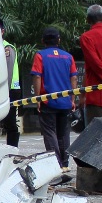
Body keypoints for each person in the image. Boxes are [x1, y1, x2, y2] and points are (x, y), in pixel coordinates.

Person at [31, 27, 77, 172]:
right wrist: (72, 99)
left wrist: (38, 97)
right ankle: (64, 164)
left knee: (49, 132)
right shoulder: (68, 57)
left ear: (43, 41)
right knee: (63, 133)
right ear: (59, 40)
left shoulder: (40, 55)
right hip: (65, 102)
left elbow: (37, 76)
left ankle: (55, 165)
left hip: (48, 100)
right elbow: (74, 77)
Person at [0, 17, 21, 147]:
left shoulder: (6, 47)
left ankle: (13, 149)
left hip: (10, 89)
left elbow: (9, 70)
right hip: (0, 89)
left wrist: (4, 93)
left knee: (10, 123)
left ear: (2, 31)